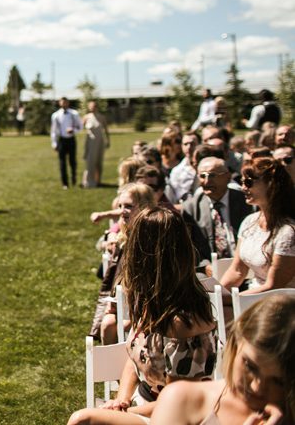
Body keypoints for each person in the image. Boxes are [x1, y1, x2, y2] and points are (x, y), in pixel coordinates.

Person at [70, 208, 218, 425]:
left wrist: (127, 411)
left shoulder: (182, 321)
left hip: (176, 417)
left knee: (82, 419)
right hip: (146, 403)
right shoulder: (155, 300)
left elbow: (178, 403)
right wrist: (121, 399)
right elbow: (135, 359)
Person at [150, 294, 295, 425]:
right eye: (250, 366)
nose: (257, 387)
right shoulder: (182, 400)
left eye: (278, 381)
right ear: (235, 343)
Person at [90, 182, 156, 345]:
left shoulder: (152, 237)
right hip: (125, 301)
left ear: (144, 207)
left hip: (150, 303)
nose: (121, 211)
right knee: (108, 324)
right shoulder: (123, 234)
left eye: (128, 206)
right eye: (120, 206)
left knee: (118, 325)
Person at [220, 156, 295, 293]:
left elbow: (273, 286)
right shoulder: (249, 222)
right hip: (251, 295)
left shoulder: (288, 232)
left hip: (281, 303)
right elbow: (237, 270)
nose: (243, 187)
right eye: (242, 182)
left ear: (271, 184)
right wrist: (216, 294)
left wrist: (234, 300)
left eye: (248, 182)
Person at [182, 157, 252, 268]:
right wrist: (205, 267)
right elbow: (190, 248)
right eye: (202, 176)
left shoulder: (246, 202)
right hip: (210, 272)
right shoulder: (190, 209)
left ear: (228, 177)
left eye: (212, 175)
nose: (206, 181)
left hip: (246, 266)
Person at [51, 97, 83, 189]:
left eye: (66, 102)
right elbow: (53, 131)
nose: (64, 104)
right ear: (60, 103)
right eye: (62, 102)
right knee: (62, 162)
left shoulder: (74, 114)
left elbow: (80, 126)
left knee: (73, 161)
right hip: (61, 140)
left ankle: (74, 179)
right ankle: (65, 183)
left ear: (68, 103)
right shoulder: (55, 115)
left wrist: (73, 130)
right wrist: (54, 143)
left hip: (71, 139)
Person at [82, 100, 110, 188]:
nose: (92, 108)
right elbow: (79, 127)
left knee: (99, 162)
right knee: (90, 162)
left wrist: (108, 140)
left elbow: (106, 130)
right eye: (91, 106)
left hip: (100, 142)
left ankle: (98, 180)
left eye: (94, 106)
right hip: (90, 142)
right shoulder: (86, 117)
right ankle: (88, 182)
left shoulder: (101, 117)